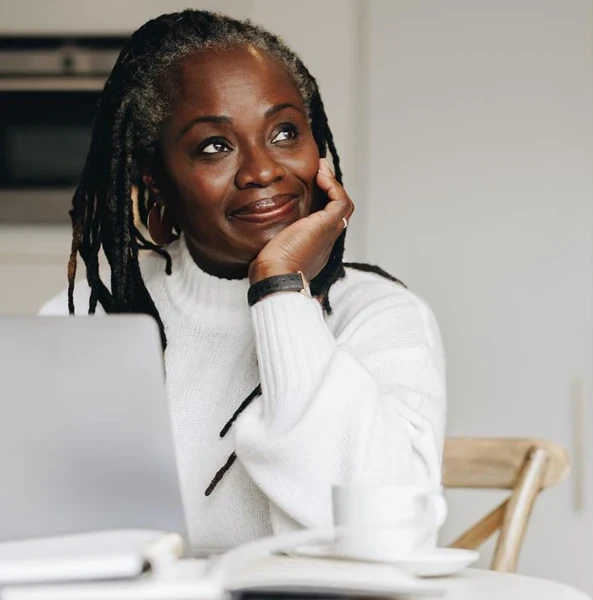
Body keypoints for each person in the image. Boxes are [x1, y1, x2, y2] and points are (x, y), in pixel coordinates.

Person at [39, 9, 446, 552]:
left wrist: (279, 289)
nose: (262, 171)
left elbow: (385, 539)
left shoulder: (377, 316)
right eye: (215, 146)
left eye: (284, 132)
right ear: (154, 179)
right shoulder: (87, 315)